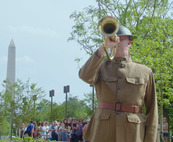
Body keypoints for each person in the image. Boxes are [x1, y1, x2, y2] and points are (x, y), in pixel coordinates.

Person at [79, 24, 158, 142]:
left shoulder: (145, 72)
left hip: (133, 132)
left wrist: (150, 139)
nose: (116, 41)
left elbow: (152, 109)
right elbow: (84, 76)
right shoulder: (100, 68)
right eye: (113, 39)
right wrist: (102, 49)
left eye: (121, 39)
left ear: (130, 43)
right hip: (103, 131)